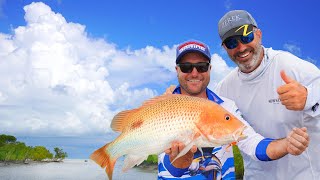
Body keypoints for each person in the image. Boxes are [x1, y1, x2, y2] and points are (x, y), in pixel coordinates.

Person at [158, 40, 310, 179]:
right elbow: (171, 169)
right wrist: (179, 162)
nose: (194, 73)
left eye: (201, 66)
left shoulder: (226, 107)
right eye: (186, 67)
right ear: (177, 70)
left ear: (210, 69)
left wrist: (286, 144)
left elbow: (252, 143)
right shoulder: (163, 108)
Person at [215, 10, 320, 179]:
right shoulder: (224, 88)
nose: (241, 48)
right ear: (225, 48)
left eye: (246, 37)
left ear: (259, 34)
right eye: (232, 43)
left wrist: (309, 98)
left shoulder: (291, 66)